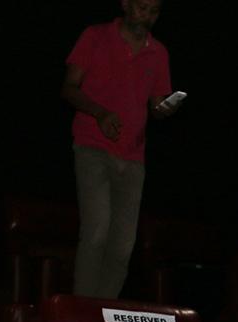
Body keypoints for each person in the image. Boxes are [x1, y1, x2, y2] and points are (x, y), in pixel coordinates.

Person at [61, 0, 181, 299]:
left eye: (154, 11)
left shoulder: (158, 52)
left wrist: (165, 109)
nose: (147, 16)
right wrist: (100, 113)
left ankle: (102, 309)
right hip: (93, 146)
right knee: (97, 230)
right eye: (142, 8)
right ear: (126, 4)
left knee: (122, 244)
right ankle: (81, 307)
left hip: (133, 156)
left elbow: (156, 105)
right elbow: (69, 87)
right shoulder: (95, 36)